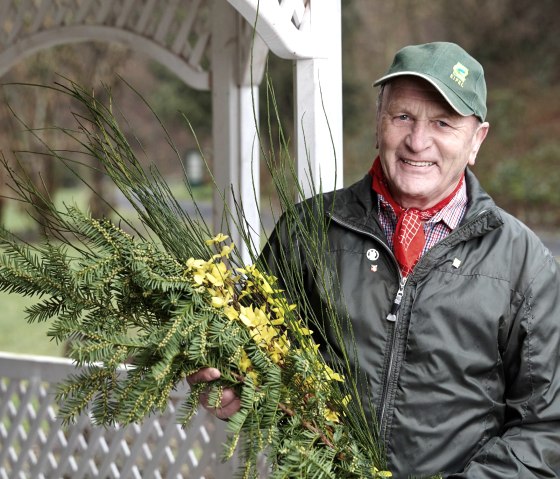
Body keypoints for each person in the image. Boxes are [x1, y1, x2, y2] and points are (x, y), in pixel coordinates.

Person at [188, 42, 560, 477]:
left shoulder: (522, 262)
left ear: (476, 140)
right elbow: (251, 357)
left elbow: (546, 428)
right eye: (402, 117)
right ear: (378, 122)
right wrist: (228, 385)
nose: (418, 142)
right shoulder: (307, 229)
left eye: (443, 123)